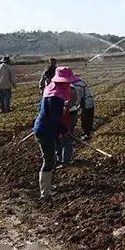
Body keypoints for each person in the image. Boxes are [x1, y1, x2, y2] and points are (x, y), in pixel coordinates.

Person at [33, 66, 73, 198]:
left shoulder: (51, 89)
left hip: (45, 128)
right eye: (67, 82)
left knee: (50, 159)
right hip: (46, 131)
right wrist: (64, 130)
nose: (69, 84)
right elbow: (55, 120)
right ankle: (45, 192)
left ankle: (48, 185)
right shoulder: (55, 97)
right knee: (49, 160)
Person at [56, 78, 81, 167]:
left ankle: (65, 160)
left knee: (65, 138)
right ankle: (62, 158)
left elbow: (67, 105)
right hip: (70, 115)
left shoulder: (69, 90)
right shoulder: (72, 88)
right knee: (63, 138)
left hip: (68, 116)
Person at [71, 75, 96, 140]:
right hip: (90, 102)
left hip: (86, 104)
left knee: (85, 120)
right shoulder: (81, 82)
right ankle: (89, 132)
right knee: (89, 118)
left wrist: (74, 108)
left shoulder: (76, 86)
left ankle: (87, 134)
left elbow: (77, 99)